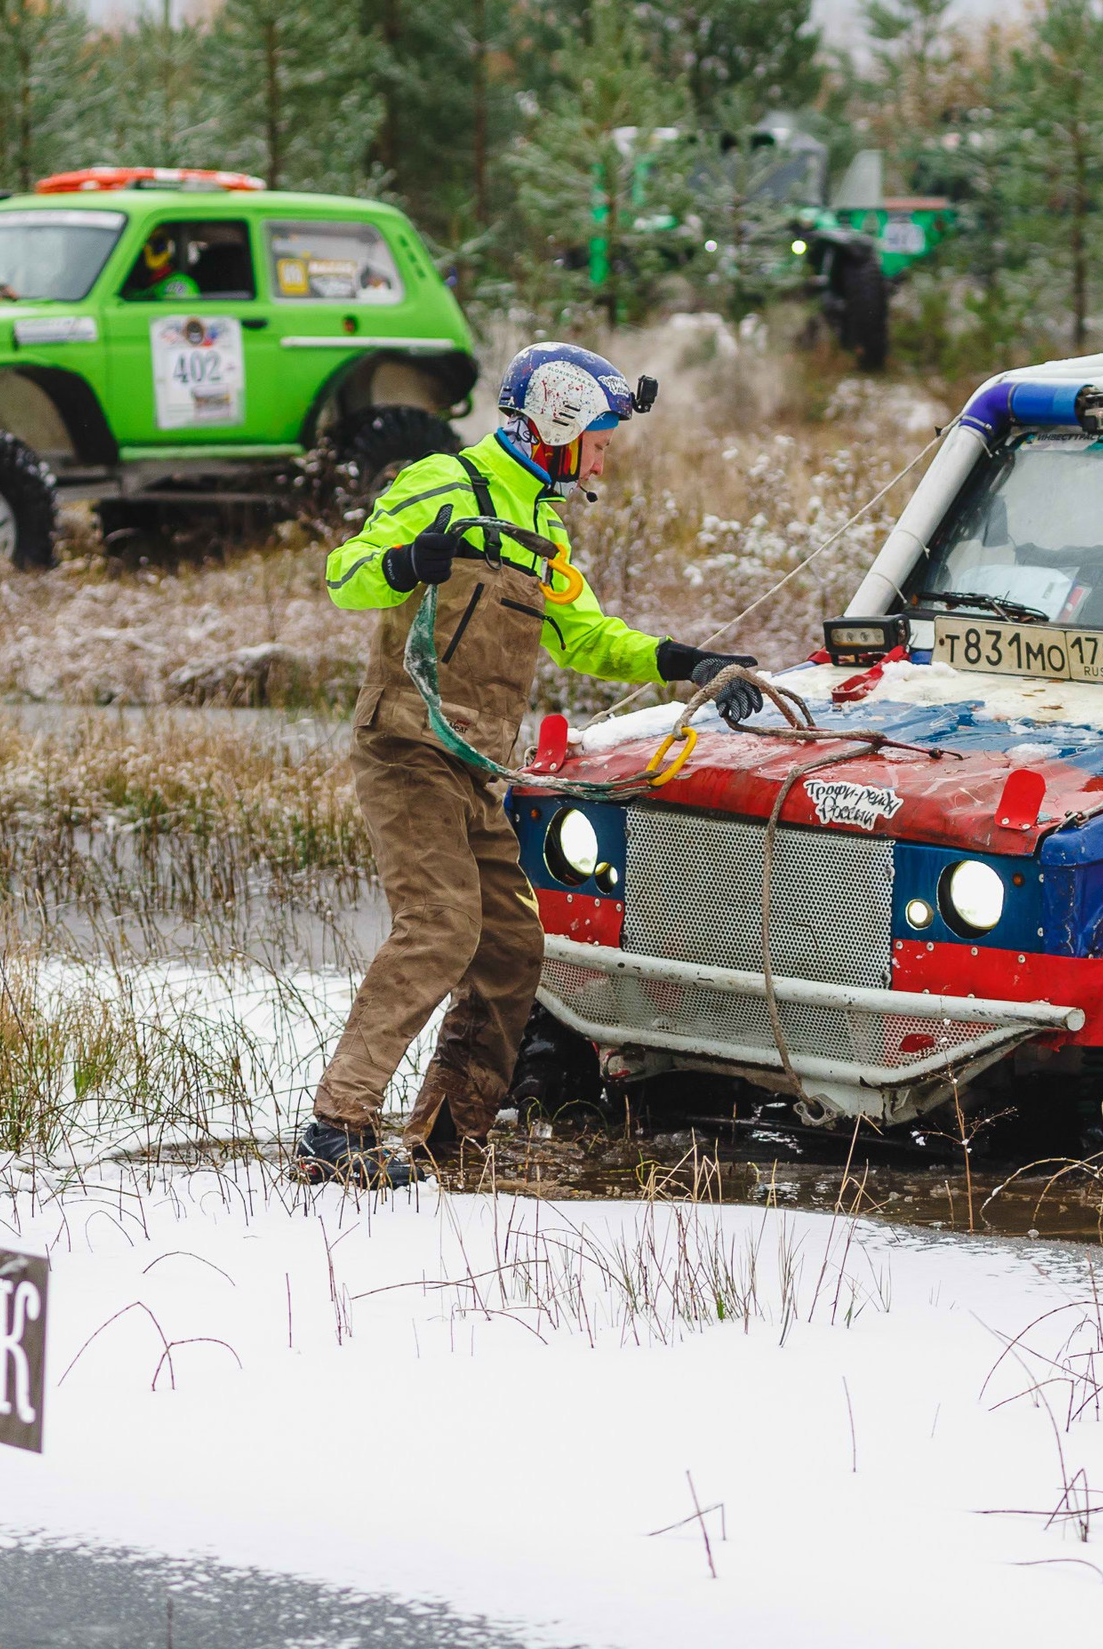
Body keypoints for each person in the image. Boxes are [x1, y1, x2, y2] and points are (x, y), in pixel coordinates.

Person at [299, 343, 761, 1187]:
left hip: (473, 769)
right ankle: (336, 1126)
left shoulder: (542, 527)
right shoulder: (444, 482)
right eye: (599, 439)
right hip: (406, 747)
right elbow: (344, 575)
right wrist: (403, 563)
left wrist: (688, 661)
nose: (604, 458)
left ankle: (446, 1142)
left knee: (512, 948)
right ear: (557, 422)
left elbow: (586, 637)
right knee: (441, 927)